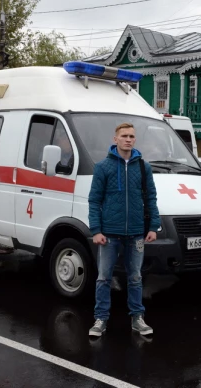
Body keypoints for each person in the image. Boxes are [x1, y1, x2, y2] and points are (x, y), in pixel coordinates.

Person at [88, 123, 160, 338]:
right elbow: (94, 200)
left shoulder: (143, 167)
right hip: (109, 234)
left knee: (136, 277)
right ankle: (100, 318)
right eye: (124, 136)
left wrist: (153, 226)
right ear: (115, 139)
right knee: (103, 277)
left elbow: (150, 197)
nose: (128, 139)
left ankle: (137, 318)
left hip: (136, 232)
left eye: (132, 136)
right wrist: (96, 230)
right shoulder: (103, 167)